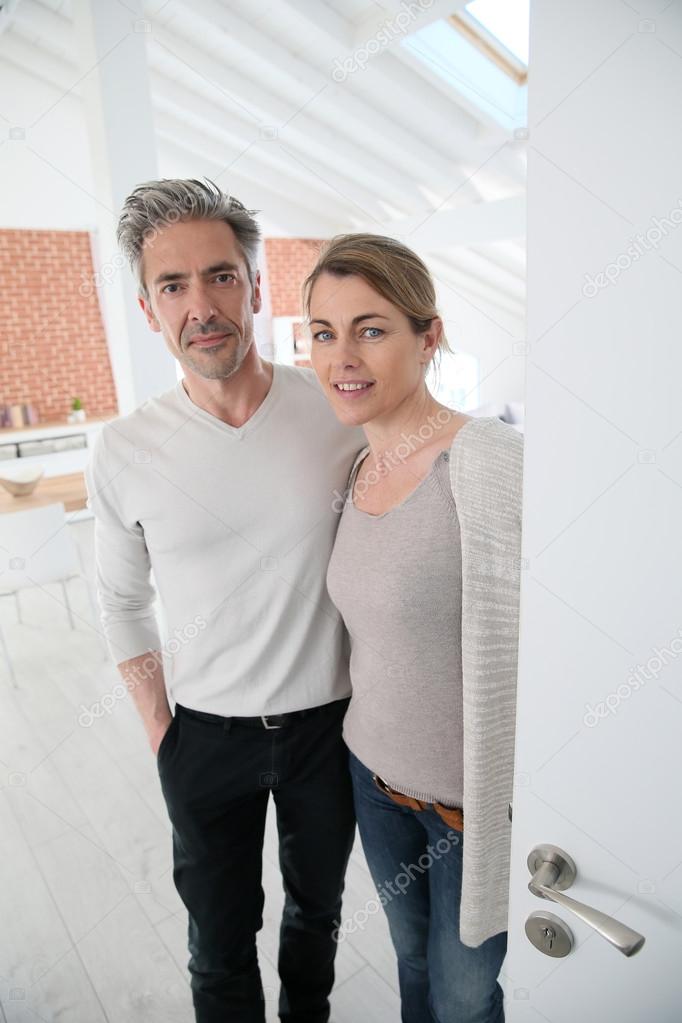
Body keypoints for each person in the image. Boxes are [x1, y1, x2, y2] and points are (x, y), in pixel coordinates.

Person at [84, 179, 366, 1023]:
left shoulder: (336, 411)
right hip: (203, 737)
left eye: (219, 276)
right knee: (219, 937)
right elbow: (122, 603)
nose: (200, 305)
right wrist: (162, 732)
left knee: (317, 915)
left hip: (330, 729)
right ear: (147, 307)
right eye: (173, 285)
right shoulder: (126, 449)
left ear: (255, 286)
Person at [304, 233, 524, 1023]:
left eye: (370, 328)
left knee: (467, 997)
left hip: (468, 806)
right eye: (323, 332)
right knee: (411, 970)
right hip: (373, 782)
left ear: (427, 337)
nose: (342, 356)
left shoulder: (489, 460)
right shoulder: (354, 467)